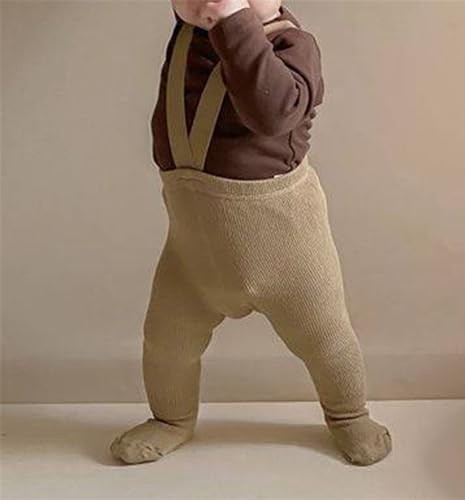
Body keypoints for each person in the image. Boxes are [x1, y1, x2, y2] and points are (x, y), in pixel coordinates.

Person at [110, 0, 393, 466]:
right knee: (166, 342)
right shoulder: (190, 35)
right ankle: (171, 418)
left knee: (326, 339)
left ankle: (348, 415)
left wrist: (235, 20)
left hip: (287, 248)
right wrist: (213, 17)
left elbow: (271, 113)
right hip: (193, 253)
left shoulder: (291, 45)